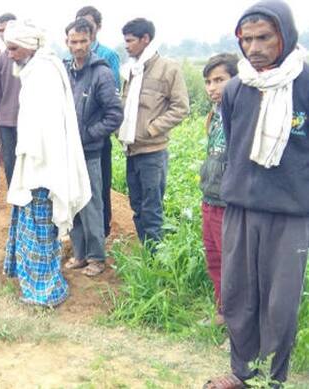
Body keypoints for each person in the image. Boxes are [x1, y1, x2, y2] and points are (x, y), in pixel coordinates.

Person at [205, 1, 309, 387]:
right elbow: (235, 145)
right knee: (238, 297)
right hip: (241, 209)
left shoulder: (306, 83)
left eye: (264, 37)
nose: (254, 47)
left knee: (280, 305)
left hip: (291, 212)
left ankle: (273, 378)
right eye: (247, 39)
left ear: (285, 35)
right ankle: (241, 373)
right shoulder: (236, 90)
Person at [2, 20, 91, 307]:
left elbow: (49, 129)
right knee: (34, 231)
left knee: (41, 233)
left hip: (44, 170)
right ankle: (35, 289)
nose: (10, 54)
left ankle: (46, 292)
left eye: (13, 48)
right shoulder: (35, 70)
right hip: (34, 165)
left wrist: (39, 168)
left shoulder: (44, 73)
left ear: (29, 45)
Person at [118, 18, 189, 247]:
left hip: (153, 151)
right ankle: (146, 251)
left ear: (145, 39)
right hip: (132, 149)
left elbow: (181, 108)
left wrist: (151, 129)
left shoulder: (168, 68)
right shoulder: (131, 70)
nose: (126, 46)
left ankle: (156, 260)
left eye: (130, 41)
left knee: (152, 208)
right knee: (137, 205)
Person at [63, 18, 123, 277]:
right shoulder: (65, 72)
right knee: (72, 204)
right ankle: (79, 254)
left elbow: (114, 114)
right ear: (66, 42)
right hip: (68, 152)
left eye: (83, 41)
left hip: (90, 152)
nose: (78, 46)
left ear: (91, 41)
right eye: (73, 41)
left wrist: (89, 134)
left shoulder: (102, 72)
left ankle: (97, 258)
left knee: (91, 204)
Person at [198, 53, 238, 327]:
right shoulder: (214, 116)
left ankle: (239, 324)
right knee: (214, 259)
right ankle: (223, 314)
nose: (212, 87)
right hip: (210, 197)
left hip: (230, 203)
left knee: (233, 265)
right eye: (208, 81)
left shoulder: (241, 114)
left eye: (220, 80)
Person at [75, 6, 121, 238]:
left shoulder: (107, 57)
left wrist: (93, 131)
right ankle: (83, 237)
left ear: (97, 29)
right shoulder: (70, 61)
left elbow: (111, 97)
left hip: (97, 135)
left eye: (88, 24)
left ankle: (102, 231)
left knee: (100, 185)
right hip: (77, 139)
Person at [0, 13, 22, 188]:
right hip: (6, 123)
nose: (3, 34)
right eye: (0, 30)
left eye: (6, 29)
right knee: (10, 165)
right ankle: (17, 208)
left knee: (30, 163)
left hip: (28, 120)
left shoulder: (29, 56)